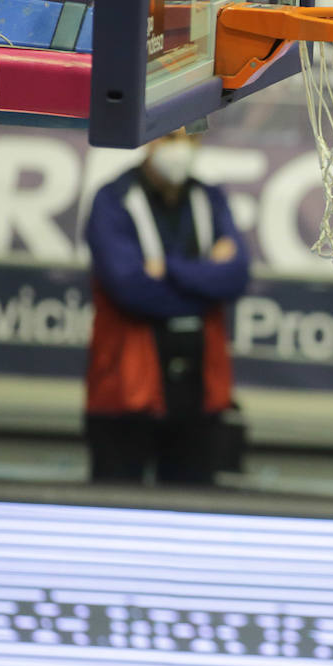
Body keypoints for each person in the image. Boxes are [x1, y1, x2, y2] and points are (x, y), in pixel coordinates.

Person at [84, 123, 251, 486]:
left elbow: (236, 277)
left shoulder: (210, 198)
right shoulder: (112, 200)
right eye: (172, 137)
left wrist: (168, 270)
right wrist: (203, 283)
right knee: (115, 512)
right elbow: (129, 288)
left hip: (199, 395)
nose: (182, 147)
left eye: (191, 138)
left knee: (192, 516)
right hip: (125, 395)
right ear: (150, 139)